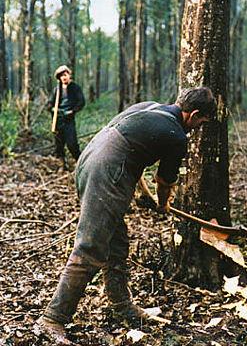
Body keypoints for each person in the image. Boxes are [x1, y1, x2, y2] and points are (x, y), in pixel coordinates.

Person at [37, 86, 217, 345]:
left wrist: (144, 194)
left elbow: (135, 157)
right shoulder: (177, 135)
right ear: (194, 114)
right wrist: (163, 204)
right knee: (91, 246)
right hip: (108, 170)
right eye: (200, 122)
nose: (198, 128)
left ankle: (121, 305)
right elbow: (164, 180)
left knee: (116, 241)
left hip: (91, 158)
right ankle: (52, 319)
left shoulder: (149, 107)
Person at [48, 65, 85, 170]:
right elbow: (49, 103)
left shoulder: (75, 88)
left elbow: (81, 102)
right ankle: (62, 165)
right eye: (61, 76)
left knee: (72, 144)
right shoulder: (57, 89)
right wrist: (53, 109)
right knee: (59, 145)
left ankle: (81, 164)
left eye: (65, 75)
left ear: (69, 75)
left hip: (69, 120)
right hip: (58, 120)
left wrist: (72, 111)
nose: (64, 77)